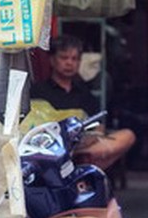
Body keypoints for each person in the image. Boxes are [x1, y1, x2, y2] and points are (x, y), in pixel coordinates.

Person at [31, 35, 136, 172]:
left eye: (74, 59)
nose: (69, 63)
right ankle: (78, 163)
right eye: (64, 58)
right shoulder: (38, 92)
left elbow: (99, 130)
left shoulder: (86, 95)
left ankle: (78, 160)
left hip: (79, 148)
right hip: (46, 150)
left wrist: (86, 140)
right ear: (52, 60)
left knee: (127, 135)